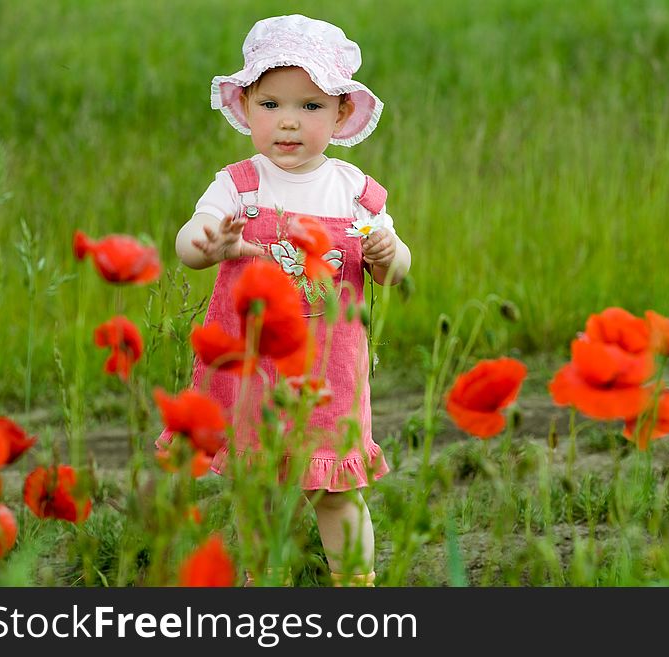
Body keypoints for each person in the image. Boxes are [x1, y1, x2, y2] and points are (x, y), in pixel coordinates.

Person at [157, 14, 411, 587]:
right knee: (260, 490)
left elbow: (396, 271)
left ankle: (356, 583)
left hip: (330, 371)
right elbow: (188, 244)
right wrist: (209, 242)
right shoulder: (238, 185)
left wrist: (387, 253)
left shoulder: (354, 192)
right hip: (254, 369)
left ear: (342, 113)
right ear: (245, 106)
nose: (289, 122)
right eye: (270, 105)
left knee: (333, 491)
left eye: (311, 107)